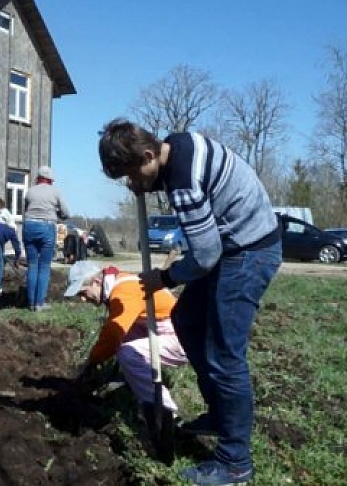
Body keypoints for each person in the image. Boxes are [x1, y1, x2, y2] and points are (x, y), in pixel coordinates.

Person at [98, 118, 282, 486]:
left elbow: (205, 256)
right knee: (187, 320)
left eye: (132, 175)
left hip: (247, 252)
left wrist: (163, 278)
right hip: (232, 246)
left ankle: (235, 463)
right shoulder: (176, 146)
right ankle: (220, 413)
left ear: (149, 154)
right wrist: (148, 184)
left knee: (224, 355)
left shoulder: (183, 181)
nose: (133, 184)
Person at [68, 263, 187, 414]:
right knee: (125, 333)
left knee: (127, 353)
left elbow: (112, 335)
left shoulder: (123, 293)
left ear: (96, 282)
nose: (83, 299)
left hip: (183, 336)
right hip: (164, 326)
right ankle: (135, 379)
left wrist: (93, 361)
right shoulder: (117, 282)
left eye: (83, 293)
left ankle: (164, 410)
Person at [22, 166, 69, 311]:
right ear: (50, 180)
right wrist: (59, 215)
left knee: (32, 265)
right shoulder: (55, 192)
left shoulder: (30, 191)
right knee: (44, 266)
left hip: (29, 226)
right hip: (46, 227)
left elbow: (26, 208)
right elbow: (66, 212)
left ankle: (30, 303)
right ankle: (39, 303)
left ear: (38, 178)